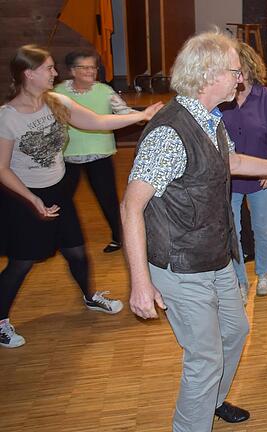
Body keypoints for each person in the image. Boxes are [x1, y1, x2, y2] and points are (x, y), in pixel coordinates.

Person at [121, 31, 267, 431]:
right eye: (234, 72)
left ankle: (211, 399)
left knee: (236, 328)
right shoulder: (169, 133)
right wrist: (140, 282)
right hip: (180, 265)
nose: (240, 80)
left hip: (216, 253)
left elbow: (231, 161)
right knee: (204, 357)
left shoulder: (209, 119)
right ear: (209, 74)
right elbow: (131, 207)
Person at [0, 45, 161, 348]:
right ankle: (0, 321)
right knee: (22, 262)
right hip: (23, 197)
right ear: (28, 74)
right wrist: (33, 200)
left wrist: (142, 115)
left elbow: (98, 122)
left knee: (76, 250)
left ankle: (89, 297)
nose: (55, 73)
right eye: (48, 68)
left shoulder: (56, 102)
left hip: (57, 191)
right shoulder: (7, 118)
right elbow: (2, 169)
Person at [220, 42, 267, 300]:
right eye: (231, 70)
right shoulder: (223, 99)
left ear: (250, 67)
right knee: (232, 230)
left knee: (263, 229)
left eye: (239, 69)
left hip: (262, 177)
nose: (236, 75)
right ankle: (239, 280)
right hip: (231, 178)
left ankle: (263, 275)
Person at [54, 49, 138, 253]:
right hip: (67, 155)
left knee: (107, 198)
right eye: (85, 67)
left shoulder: (105, 91)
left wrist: (147, 115)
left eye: (93, 67)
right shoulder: (58, 93)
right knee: (59, 201)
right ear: (72, 70)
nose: (91, 71)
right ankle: (56, 237)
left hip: (100, 153)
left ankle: (119, 237)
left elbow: (125, 113)